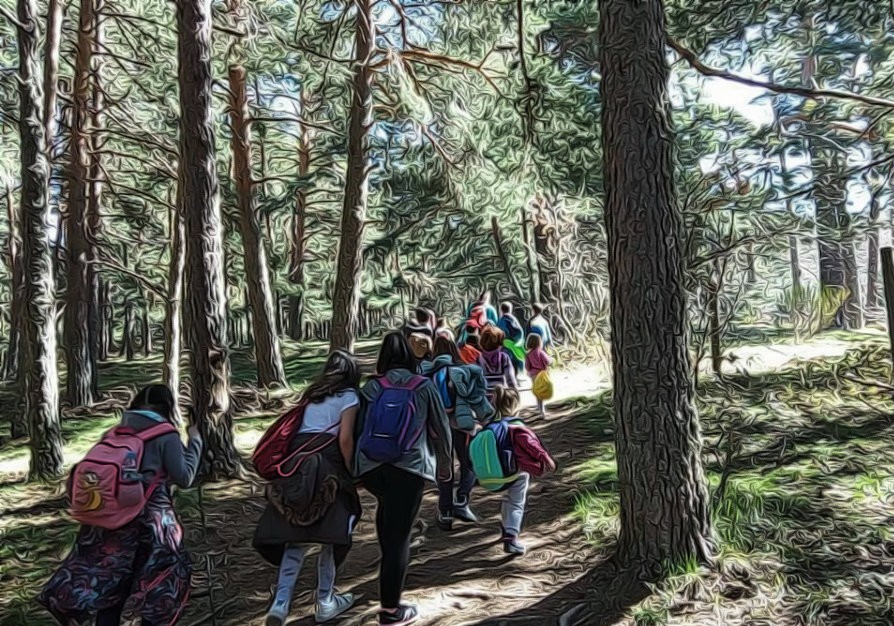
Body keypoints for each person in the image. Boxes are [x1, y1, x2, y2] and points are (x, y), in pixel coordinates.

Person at [39, 384, 202, 626]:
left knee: (113, 586)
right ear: (168, 407)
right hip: (152, 522)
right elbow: (185, 477)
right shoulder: (165, 435)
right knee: (162, 582)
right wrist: (195, 440)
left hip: (109, 520)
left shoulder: (115, 432)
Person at [253, 351, 363, 626]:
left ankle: (280, 604)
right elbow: (346, 438)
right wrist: (351, 471)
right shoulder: (349, 396)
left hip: (298, 465)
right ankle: (325, 600)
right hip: (329, 466)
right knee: (330, 537)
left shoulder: (311, 395)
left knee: (295, 537)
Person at [356, 332, 452, 625]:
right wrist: (446, 465)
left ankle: (389, 575)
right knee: (400, 537)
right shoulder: (422, 386)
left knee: (387, 514)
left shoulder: (371, 387)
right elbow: (441, 428)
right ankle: (390, 611)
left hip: (372, 469)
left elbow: (358, 428)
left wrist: (354, 469)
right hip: (409, 468)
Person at [420, 336, 495, 531]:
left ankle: (445, 511)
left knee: (444, 467)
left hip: (437, 429)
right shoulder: (463, 371)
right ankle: (462, 501)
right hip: (463, 425)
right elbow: (477, 398)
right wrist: (488, 422)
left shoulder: (426, 374)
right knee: (468, 463)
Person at [490, 386, 556, 556]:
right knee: (516, 502)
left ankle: (506, 530)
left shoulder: (492, 427)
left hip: (499, 473)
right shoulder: (516, 428)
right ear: (515, 406)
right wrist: (546, 459)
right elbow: (532, 446)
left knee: (507, 499)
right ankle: (511, 538)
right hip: (518, 472)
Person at [477, 325, 518, 391]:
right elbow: (511, 380)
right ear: (500, 344)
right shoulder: (504, 358)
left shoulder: (478, 359)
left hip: (485, 397)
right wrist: (515, 393)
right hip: (501, 396)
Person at [525, 334, 553, 418]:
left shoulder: (528, 354)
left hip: (533, 375)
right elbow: (547, 361)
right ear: (539, 342)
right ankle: (542, 411)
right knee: (543, 390)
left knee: (538, 391)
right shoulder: (540, 352)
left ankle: (540, 409)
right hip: (542, 374)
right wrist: (551, 360)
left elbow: (527, 367)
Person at [497, 303, 525, 375]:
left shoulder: (501, 321)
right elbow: (520, 332)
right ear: (511, 309)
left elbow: (500, 333)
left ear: (501, 310)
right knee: (516, 361)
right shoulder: (514, 319)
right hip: (515, 345)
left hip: (506, 346)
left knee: (508, 362)